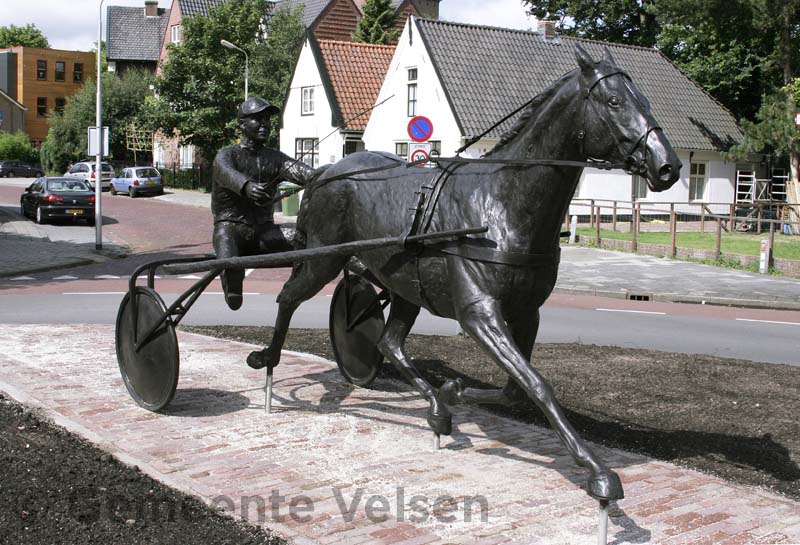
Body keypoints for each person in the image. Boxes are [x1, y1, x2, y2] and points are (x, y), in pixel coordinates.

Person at [212, 97, 316, 310]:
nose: (265, 124)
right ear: (241, 124)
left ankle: (296, 287)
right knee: (231, 269)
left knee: (306, 240)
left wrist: (328, 175)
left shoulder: (275, 158)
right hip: (231, 229)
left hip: (264, 232)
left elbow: (302, 172)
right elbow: (226, 173)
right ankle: (232, 286)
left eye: (267, 119)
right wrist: (247, 186)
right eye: (258, 119)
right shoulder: (227, 155)